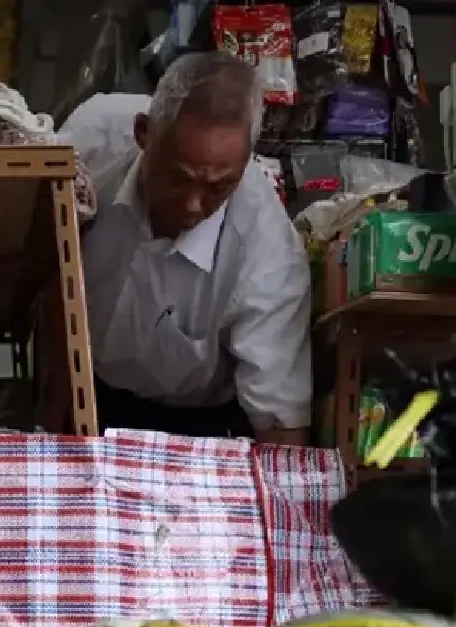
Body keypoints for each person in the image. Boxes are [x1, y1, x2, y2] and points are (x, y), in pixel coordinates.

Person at [59, 53, 312, 445]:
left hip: (200, 424)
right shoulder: (91, 144)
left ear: (246, 165)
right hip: (83, 388)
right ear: (143, 134)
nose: (194, 205)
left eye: (218, 188)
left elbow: (279, 423)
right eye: (178, 177)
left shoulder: (268, 254)